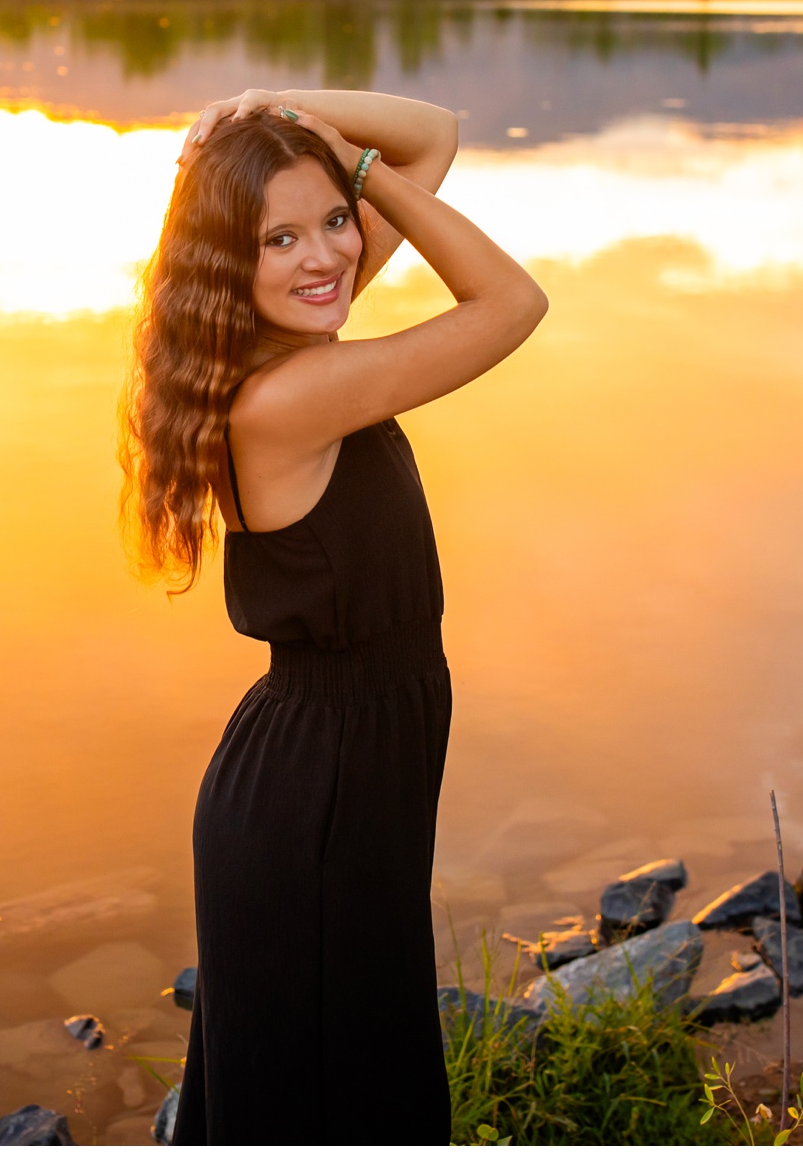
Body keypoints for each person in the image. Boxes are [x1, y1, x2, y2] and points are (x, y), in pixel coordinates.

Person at [119, 87, 548, 1143]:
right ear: (231, 264)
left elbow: (437, 132)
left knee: (343, 1070)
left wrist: (273, 109)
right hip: (315, 795)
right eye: (280, 237)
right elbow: (509, 303)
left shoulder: (294, 344)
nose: (325, 258)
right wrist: (354, 175)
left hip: (338, 766)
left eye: (333, 225)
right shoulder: (286, 398)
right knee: (335, 1086)